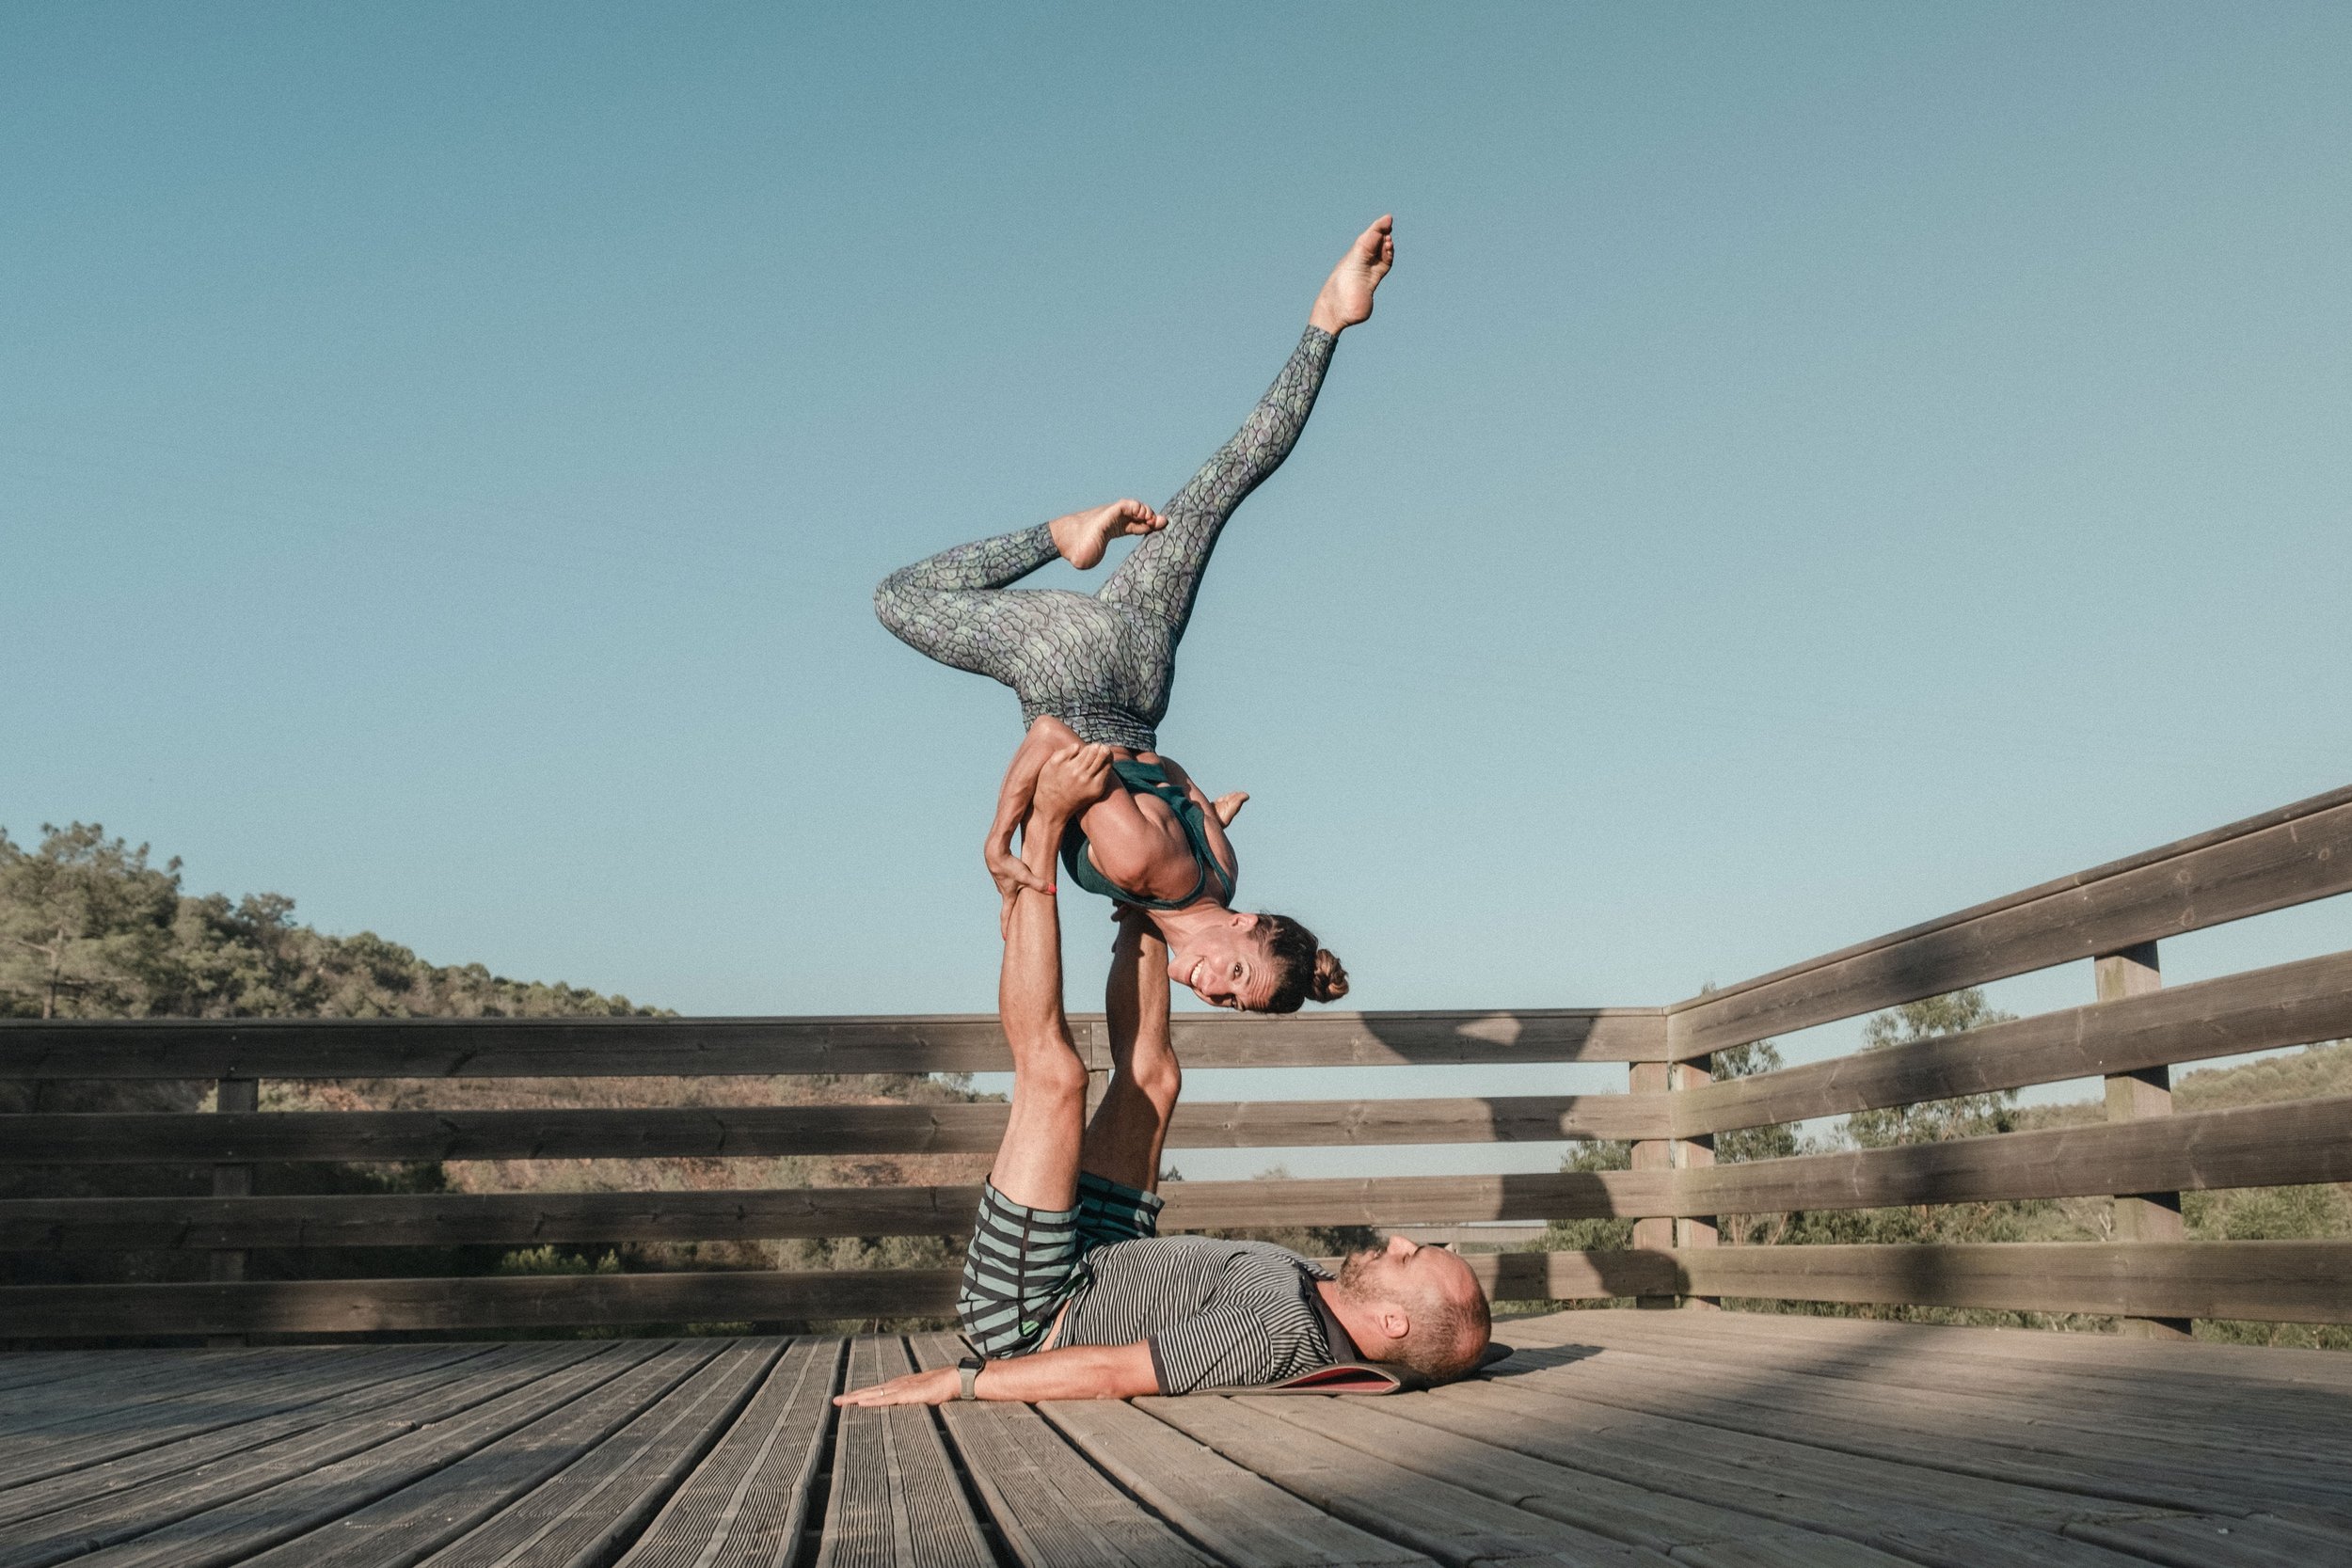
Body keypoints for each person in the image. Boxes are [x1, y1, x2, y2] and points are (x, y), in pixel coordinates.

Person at [834, 741, 1491, 1407]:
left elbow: (1113, 1372)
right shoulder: (1332, 1299)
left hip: (1032, 1311)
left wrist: (963, 1380)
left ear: (1392, 1322)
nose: (1403, 1239)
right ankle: (1151, 908)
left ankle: (1040, 839)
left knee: (1057, 1075)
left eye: (1412, 1258)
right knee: (1155, 1076)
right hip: (1102, 1255)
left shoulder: (1276, 1333)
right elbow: (1453, 1341)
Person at [874, 217, 1399, 1013]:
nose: (1214, 988)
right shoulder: (1143, 869)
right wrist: (999, 838)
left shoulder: (1220, 874)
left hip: (1145, 675)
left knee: (1222, 486)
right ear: (1249, 926)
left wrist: (1195, 810)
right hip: (1073, 674)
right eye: (1238, 975)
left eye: (1229, 1001)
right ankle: (1060, 533)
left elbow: (1174, 806)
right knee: (899, 598)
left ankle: (1329, 316)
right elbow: (1053, 738)